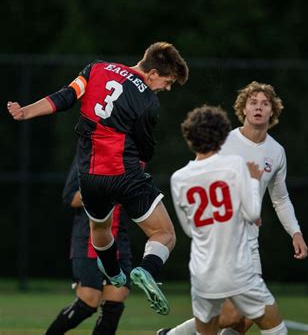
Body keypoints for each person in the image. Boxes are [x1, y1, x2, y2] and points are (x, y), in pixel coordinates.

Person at [7, 42, 189, 314]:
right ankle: (147, 269)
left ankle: (114, 273)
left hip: (90, 178)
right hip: (125, 175)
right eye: (168, 81)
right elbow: (145, 146)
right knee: (164, 233)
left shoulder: (96, 69)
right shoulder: (149, 100)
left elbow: (66, 96)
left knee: (100, 230)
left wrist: (26, 112)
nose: (167, 87)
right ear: (151, 74)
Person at [159, 81, 308, 335]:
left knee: (244, 319)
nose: (259, 107)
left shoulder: (276, 151)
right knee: (235, 314)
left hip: (249, 243)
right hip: (221, 244)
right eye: (253, 102)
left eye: (265, 103)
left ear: (273, 111)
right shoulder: (222, 142)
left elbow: (280, 198)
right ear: (243, 109)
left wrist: (295, 231)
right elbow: (203, 180)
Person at [46, 156, 132, 334]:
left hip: (118, 239)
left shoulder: (132, 153)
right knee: (88, 301)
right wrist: (104, 187)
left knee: (115, 301)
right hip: (88, 239)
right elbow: (71, 198)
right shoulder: (88, 152)